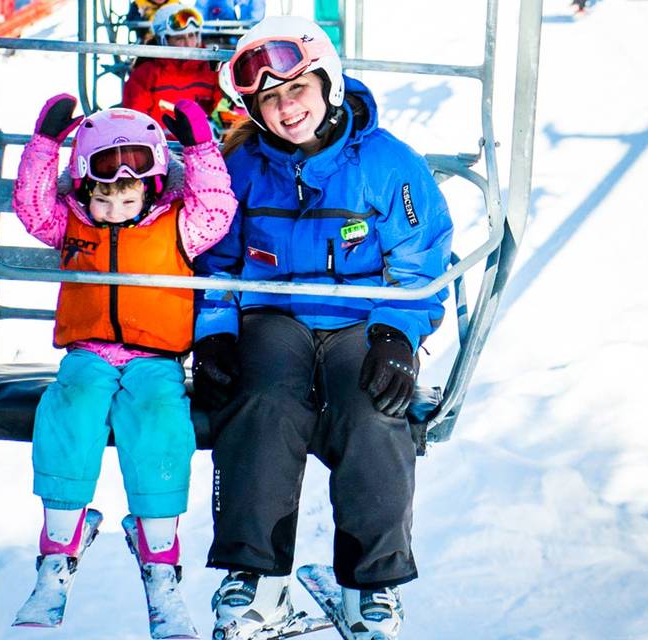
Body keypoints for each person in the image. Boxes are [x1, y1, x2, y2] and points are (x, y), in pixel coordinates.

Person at [190, 15, 453, 640]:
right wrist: (217, 331)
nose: (286, 110)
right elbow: (217, 260)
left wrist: (397, 331)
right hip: (272, 318)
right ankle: (257, 579)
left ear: (328, 82)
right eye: (269, 99)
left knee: (372, 410)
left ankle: (372, 583)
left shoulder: (388, 164)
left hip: (360, 323)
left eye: (297, 90)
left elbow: (422, 254)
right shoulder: (243, 167)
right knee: (260, 402)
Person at [6, 94, 235, 640]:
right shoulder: (70, 223)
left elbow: (217, 210)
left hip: (155, 359)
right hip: (88, 354)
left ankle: (160, 560)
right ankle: (59, 547)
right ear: (83, 187)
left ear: (153, 184)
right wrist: (46, 144)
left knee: (160, 421)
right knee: (71, 406)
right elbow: (33, 207)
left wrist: (201, 147)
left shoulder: (178, 225)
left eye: (127, 194)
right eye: (102, 197)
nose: (113, 208)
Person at [122, 2, 227, 129]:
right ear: (164, 40)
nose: (188, 43)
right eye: (179, 38)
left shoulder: (213, 70)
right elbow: (136, 120)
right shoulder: (145, 74)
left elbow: (224, 115)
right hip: (161, 145)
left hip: (204, 145)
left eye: (192, 35)